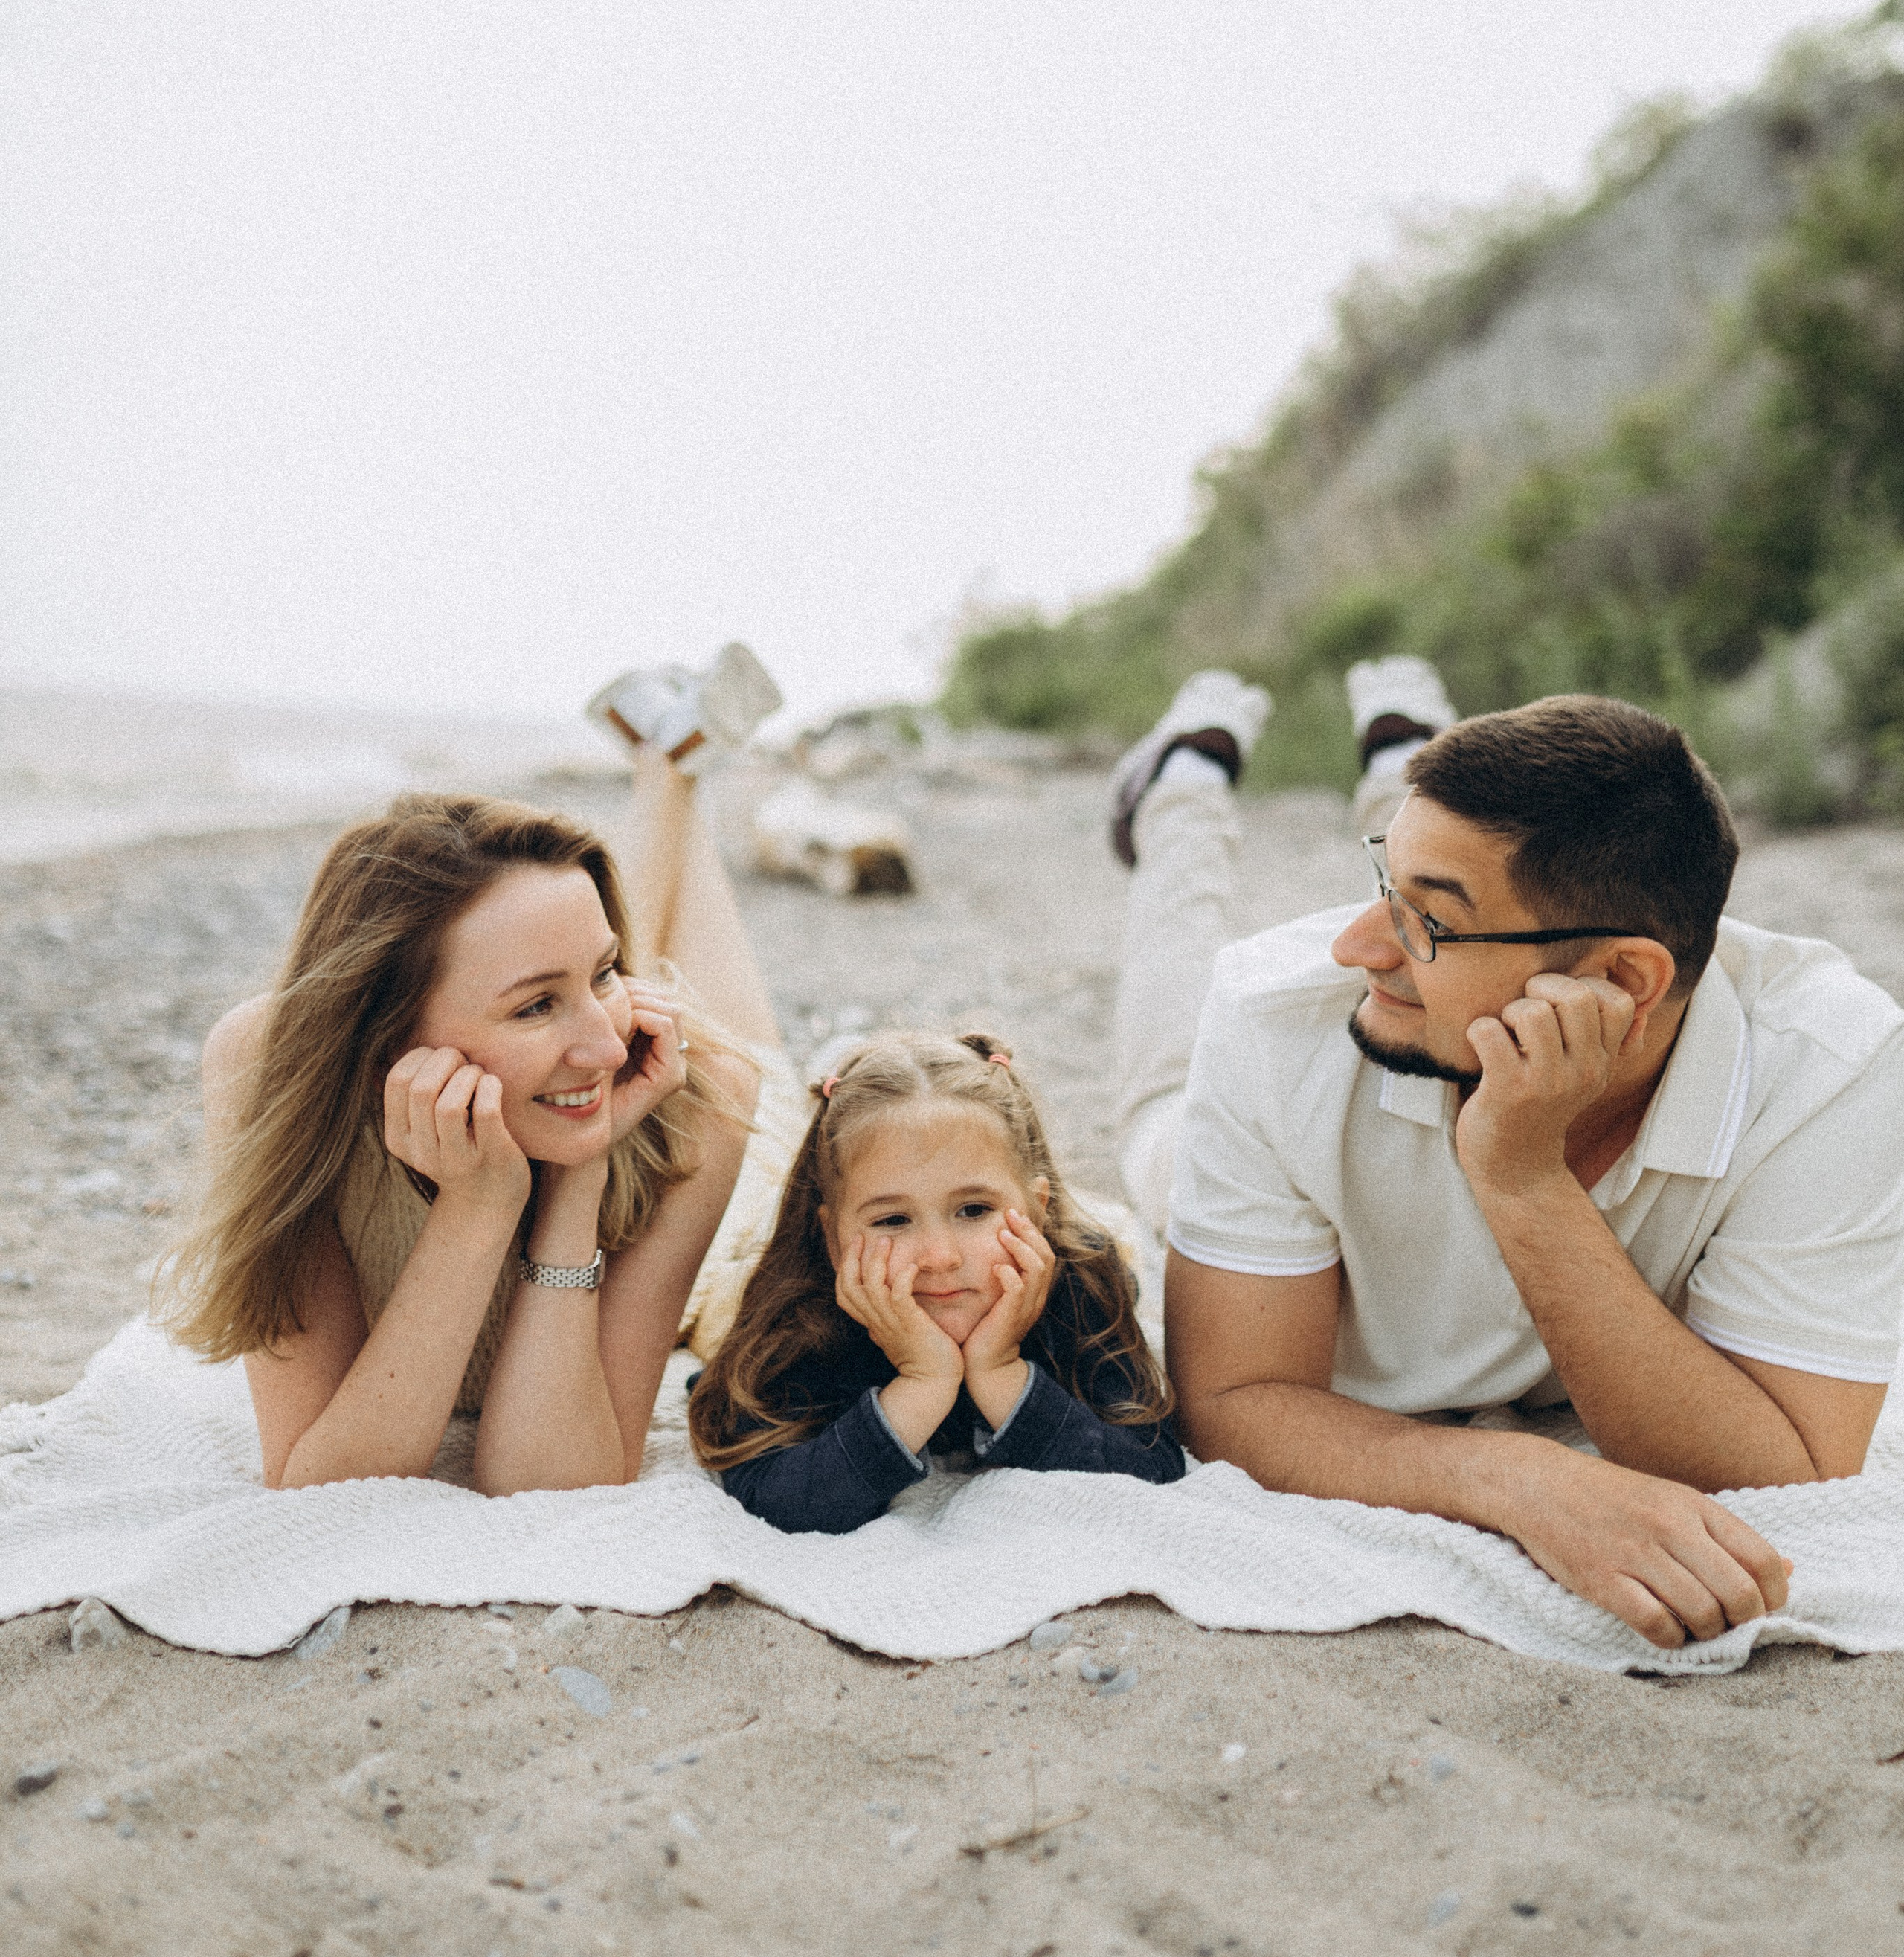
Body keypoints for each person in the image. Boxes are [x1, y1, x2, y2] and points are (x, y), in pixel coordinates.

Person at [1111, 666, 1904, 1651]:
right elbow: (1233, 1403)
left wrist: (1526, 1180)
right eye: (1383, 886)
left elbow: (1784, 1474)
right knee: (1161, 1079)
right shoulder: (1276, 1017)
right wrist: (1518, 1480)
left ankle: (1405, 777)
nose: (1360, 946)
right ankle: (1185, 781)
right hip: (1216, 1115)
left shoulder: (1830, 1066)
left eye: (1426, 919)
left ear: (1622, 980)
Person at [164, 646, 808, 1494]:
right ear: (385, 1033)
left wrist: (578, 1171)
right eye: (533, 1006)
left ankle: (671, 772)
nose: (611, 1049)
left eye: (604, 976)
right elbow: (318, 1480)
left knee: (725, 1042)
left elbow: (557, 1476)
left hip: (752, 1164)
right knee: (570, 973)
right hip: (557, 1088)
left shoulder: (699, 1091)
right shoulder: (269, 1067)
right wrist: (478, 1208)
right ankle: (675, 760)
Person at [688, 1029, 1184, 1531]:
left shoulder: (1081, 1279)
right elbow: (771, 1495)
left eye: (973, 1210)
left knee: (1118, 1237)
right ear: (835, 1240)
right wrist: (924, 1383)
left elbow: (1151, 1465)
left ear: (1037, 1213)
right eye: (893, 1220)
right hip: (747, 1249)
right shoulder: (803, 1308)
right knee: (713, 1293)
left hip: (1077, 1234)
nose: (941, 1258)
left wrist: (1000, 1371)